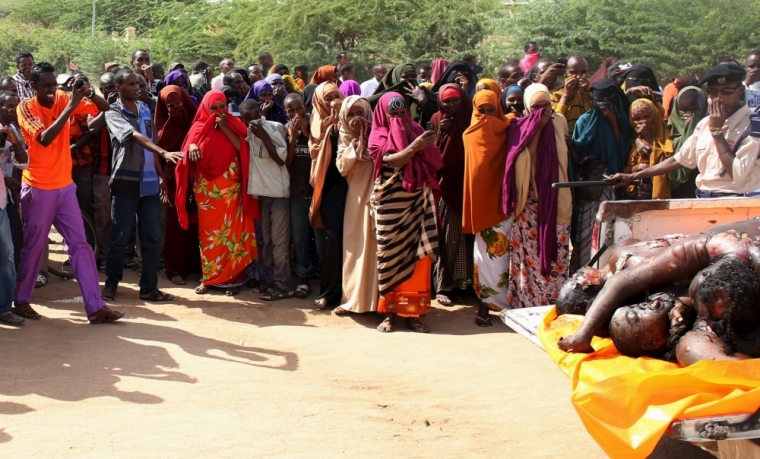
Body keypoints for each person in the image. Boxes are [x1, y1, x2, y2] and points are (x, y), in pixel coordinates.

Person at [14, 62, 123, 323]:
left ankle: (95, 307)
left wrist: (88, 89)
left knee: (80, 245)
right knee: (34, 247)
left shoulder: (65, 97)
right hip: (38, 189)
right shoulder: (26, 108)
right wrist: (72, 105)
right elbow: (44, 138)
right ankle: (21, 300)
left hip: (64, 188)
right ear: (33, 86)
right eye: (46, 86)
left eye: (54, 85)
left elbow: (104, 108)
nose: (52, 90)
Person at [557, 218, 760, 356]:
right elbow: (624, 280)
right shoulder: (708, 246)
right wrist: (584, 333)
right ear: (705, 270)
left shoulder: (730, 249)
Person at [610, 64, 760, 199]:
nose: (718, 98)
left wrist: (716, 132)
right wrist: (633, 175)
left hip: (739, 203)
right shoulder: (705, 123)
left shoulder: (754, 125)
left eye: (726, 91)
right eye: (713, 91)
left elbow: (738, 174)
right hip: (703, 200)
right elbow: (679, 159)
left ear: (740, 91)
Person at [102, 70, 181, 303]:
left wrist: (161, 178)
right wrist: (164, 152)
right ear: (118, 87)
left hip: (148, 184)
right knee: (120, 237)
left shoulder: (145, 108)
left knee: (153, 238)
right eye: (131, 84)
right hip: (125, 182)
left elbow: (151, 143)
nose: (137, 87)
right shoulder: (113, 112)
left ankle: (149, 288)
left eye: (138, 83)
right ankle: (111, 285)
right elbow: (134, 136)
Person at [368, 92, 442, 333]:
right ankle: (388, 313)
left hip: (417, 202)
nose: (399, 119)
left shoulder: (416, 128)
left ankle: (412, 313)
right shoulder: (377, 135)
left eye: (402, 113)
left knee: (418, 258)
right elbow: (393, 161)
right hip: (390, 205)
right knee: (388, 258)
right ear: (383, 114)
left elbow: (434, 158)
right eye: (393, 115)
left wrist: (419, 141)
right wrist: (414, 146)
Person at [175, 90, 259, 296]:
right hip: (207, 194)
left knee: (233, 233)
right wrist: (193, 145)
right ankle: (210, 277)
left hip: (232, 190)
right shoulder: (197, 127)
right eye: (214, 108)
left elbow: (243, 149)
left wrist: (224, 127)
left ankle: (233, 279)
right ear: (206, 108)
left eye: (222, 107)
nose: (219, 111)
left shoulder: (234, 123)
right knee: (209, 236)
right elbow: (185, 151)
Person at [502, 84, 572, 313]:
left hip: (559, 198)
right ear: (527, 107)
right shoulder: (519, 126)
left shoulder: (559, 120)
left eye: (546, 106)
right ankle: (528, 306)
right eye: (536, 107)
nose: (542, 111)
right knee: (530, 257)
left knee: (557, 252)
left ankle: (554, 305)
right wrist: (538, 129)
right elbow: (520, 161)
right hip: (532, 202)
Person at [570, 78, 632, 273]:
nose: (604, 102)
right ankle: (584, 273)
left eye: (609, 97)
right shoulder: (584, 120)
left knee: (609, 233)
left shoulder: (623, 121)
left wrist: (613, 122)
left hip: (612, 183)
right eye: (600, 98)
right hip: (589, 186)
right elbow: (578, 155)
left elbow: (622, 151)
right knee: (587, 234)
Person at [462, 89, 511, 321]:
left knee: (502, 257)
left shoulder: (508, 128)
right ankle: (486, 302)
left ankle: (503, 302)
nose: (487, 116)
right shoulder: (471, 133)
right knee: (484, 257)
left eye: (492, 110)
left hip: (504, 205)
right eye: (482, 111)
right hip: (483, 206)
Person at [239, 99, 293, 300]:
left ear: (260, 114)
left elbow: (281, 160)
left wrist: (262, 136)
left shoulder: (273, 128)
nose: (252, 123)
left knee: (279, 242)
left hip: (279, 192)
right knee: (268, 241)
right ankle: (270, 281)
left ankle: (283, 284)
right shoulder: (247, 133)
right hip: (263, 193)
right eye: (248, 120)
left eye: (255, 118)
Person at [333, 95, 378, 315]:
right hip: (356, 197)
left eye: (360, 113)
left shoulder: (379, 132)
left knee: (376, 248)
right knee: (354, 247)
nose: (355, 118)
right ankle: (352, 299)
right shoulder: (343, 136)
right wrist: (354, 142)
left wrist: (368, 135)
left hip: (378, 193)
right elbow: (342, 167)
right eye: (350, 114)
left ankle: (377, 302)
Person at [431, 83, 473, 306]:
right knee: (448, 238)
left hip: (471, 187)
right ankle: (443, 286)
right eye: (446, 101)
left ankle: (465, 284)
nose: (451, 104)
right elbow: (431, 157)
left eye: (455, 99)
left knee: (468, 238)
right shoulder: (437, 119)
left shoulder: (472, 118)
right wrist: (441, 133)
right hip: (448, 188)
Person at [154, 85, 201, 285]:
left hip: (196, 175)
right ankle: (174, 269)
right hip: (173, 177)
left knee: (196, 220)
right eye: (170, 106)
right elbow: (156, 153)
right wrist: (162, 180)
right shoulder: (160, 124)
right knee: (175, 222)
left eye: (179, 104)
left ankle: (196, 266)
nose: (175, 109)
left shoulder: (195, 119)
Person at [308, 82, 347, 309]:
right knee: (332, 240)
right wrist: (329, 129)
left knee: (356, 240)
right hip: (330, 187)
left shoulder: (351, 117)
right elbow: (315, 151)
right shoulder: (317, 124)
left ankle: (355, 294)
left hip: (354, 185)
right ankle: (330, 292)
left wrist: (344, 124)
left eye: (337, 95)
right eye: (328, 97)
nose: (334, 101)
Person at [283, 93, 314, 298]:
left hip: (316, 192)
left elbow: (319, 155)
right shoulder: (286, 129)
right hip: (296, 191)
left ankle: (321, 274)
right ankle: (303, 278)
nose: (296, 114)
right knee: (300, 237)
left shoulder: (316, 123)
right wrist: (294, 137)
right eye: (291, 111)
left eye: (299, 109)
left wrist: (307, 132)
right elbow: (288, 163)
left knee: (320, 238)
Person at [87, 73, 118, 271]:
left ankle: (120, 256)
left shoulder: (126, 107)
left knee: (122, 216)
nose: (112, 92)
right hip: (102, 171)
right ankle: (104, 256)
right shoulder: (93, 108)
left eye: (114, 87)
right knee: (103, 217)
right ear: (101, 88)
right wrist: (108, 106)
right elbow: (92, 128)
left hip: (123, 171)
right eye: (107, 88)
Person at [0, 110, 28, 326]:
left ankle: (3, 309)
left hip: (1, 203)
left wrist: (14, 142)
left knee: (7, 255)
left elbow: (24, 162)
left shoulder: (5, 131)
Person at [622, 98, 673, 200]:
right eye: (637, 118)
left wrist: (648, 137)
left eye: (646, 116)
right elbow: (623, 168)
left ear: (654, 116)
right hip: (634, 193)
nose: (642, 121)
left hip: (659, 193)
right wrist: (636, 168)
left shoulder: (668, 136)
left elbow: (670, 163)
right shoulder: (628, 140)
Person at [0, 91, 26, 269]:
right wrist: (5, 178)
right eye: (9, 105)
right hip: (3, 190)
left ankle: (13, 282)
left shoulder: (14, 128)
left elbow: (23, 162)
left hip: (8, 196)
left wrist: (16, 143)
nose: (13, 109)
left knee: (15, 240)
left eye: (16, 105)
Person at [667, 86, 708, 199]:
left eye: (694, 109)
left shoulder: (713, 129)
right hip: (672, 192)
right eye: (684, 109)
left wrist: (694, 127)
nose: (689, 113)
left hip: (702, 190)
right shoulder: (665, 129)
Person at [369, 63, 437, 126]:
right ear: (396, 79)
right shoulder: (385, 97)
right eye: (406, 76)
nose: (410, 79)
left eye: (413, 76)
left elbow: (439, 116)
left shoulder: (423, 93)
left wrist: (424, 101)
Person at [550, 54, 592, 133]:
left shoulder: (592, 92)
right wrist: (565, 95)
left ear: (588, 71)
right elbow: (555, 122)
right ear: (565, 73)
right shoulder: (555, 94)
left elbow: (592, 121)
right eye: (573, 73)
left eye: (583, 72)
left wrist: (585, 94)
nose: (579, 76)